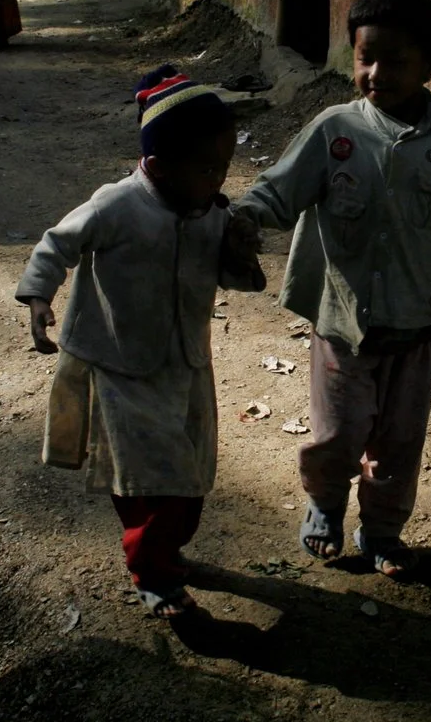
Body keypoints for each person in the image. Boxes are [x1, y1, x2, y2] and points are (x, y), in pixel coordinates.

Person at [233, 0, 431, 577]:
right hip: (342, 323)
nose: (377, 74)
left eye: (396, 61)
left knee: (397, 446)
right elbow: (277, 191)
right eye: (366, 58)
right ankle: (324, 503)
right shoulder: (335, 131)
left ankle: (383, 531)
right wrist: (242, 219)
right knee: (338, 436)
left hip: (414, 330)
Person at [16, 66, 265, 617]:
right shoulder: (116, 204)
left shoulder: (209, 212)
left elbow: (230, 272)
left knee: (190, 474)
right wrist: (38, 297)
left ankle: (166, 551)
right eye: (207, 168)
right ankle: (153, 572)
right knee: (146, 482)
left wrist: (240, 247)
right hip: (121, 368)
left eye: (224, 165)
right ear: (156, 165)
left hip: (185, 364)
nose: (220, 179)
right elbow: (57, 244)